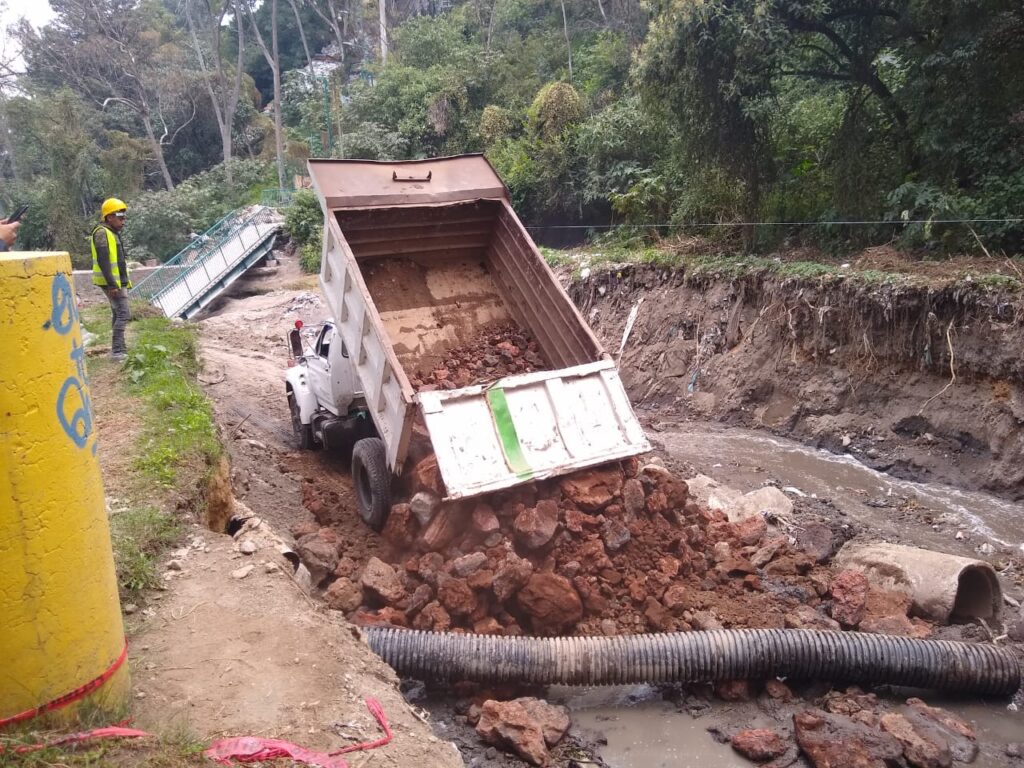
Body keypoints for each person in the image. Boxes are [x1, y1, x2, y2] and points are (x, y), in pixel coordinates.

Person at [91, 198, 132, 361]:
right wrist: (112, 284)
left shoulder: (111, 232)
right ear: (109, 217)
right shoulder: (102, 233)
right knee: (123, 314)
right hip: (111, 283)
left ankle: (120, 348)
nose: (123, 221)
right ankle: (117, 352)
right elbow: (103, 260)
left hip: (115, 281)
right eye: (120, 217)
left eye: (124, 217)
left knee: (117, 313)